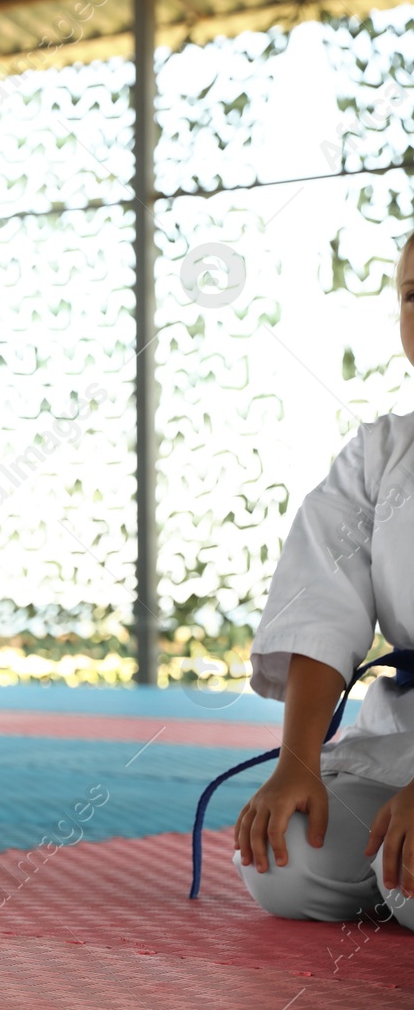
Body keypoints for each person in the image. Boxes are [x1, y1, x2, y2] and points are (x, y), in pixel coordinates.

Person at [228, 230, 414, 929]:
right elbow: (321, 602)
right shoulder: (380, 454)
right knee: (285, 862)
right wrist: (298, 763)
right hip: (399, 736)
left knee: (409, 887)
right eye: (412, 295)